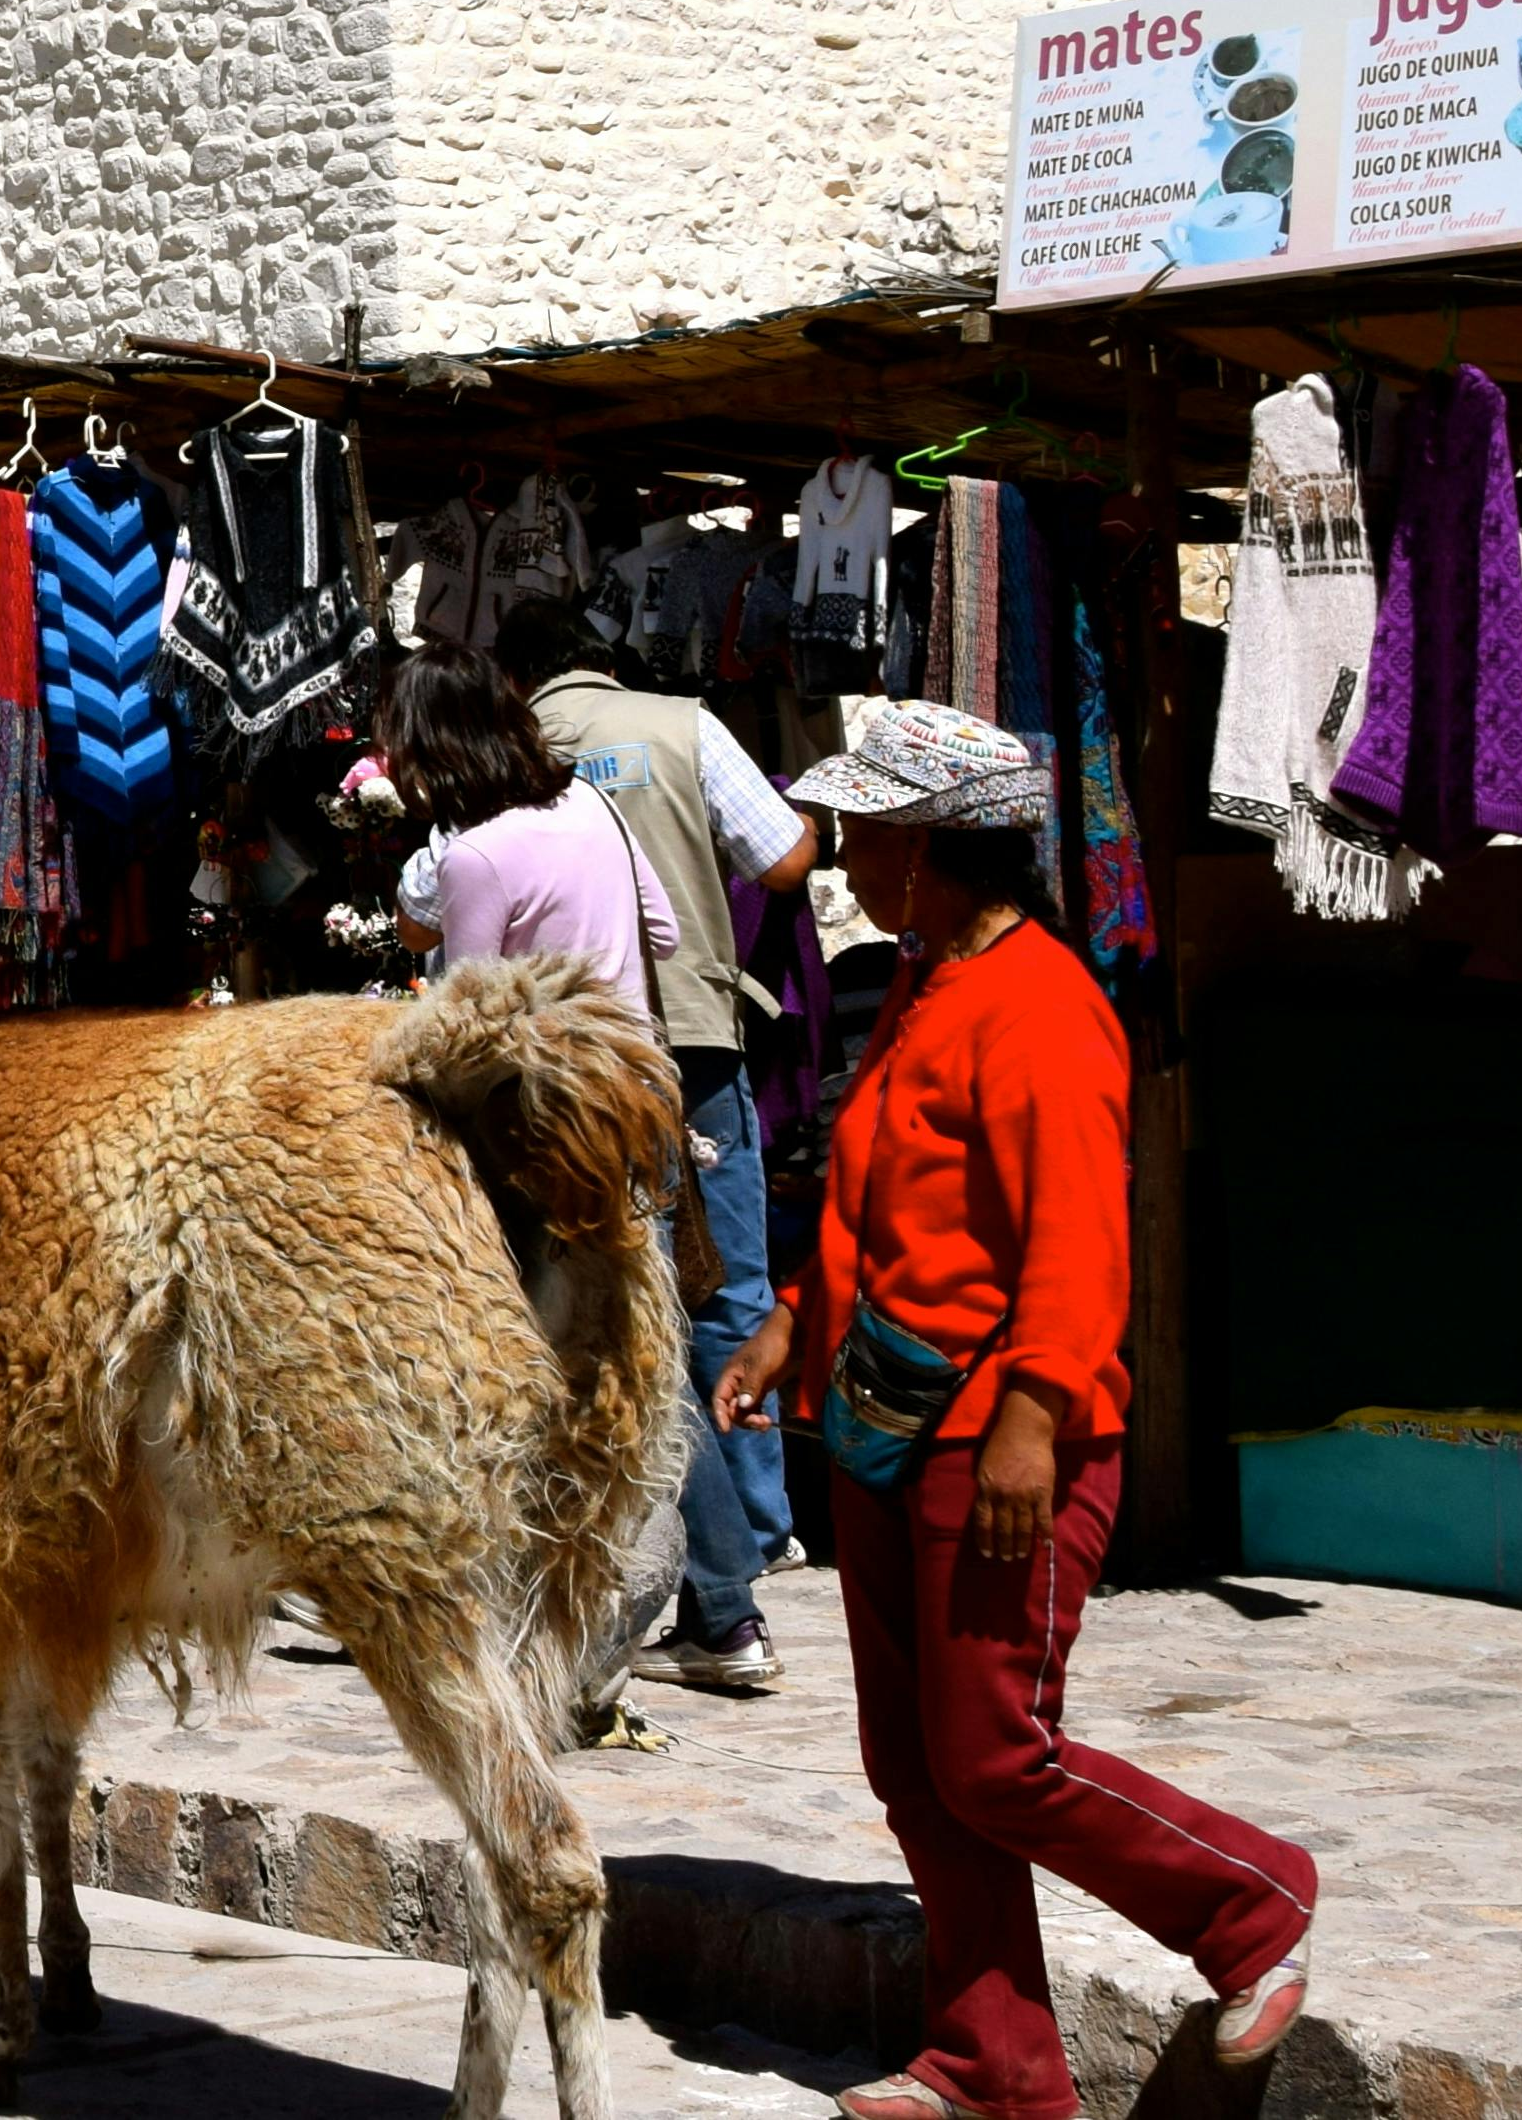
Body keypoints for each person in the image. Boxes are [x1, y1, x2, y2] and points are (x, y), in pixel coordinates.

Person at [728, 701, 1312, 2120]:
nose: (842, 853)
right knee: (913, 1764)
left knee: (993, 1751)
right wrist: (795, 1316)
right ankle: (993, 2062)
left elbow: (1074, 1238)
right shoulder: (930, 982)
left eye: (863, 829)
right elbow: (882, 1188)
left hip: (1002, 1438)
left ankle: (1251, 1902)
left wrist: (1035, 1415)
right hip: (887, 1424)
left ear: (931, 846)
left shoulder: (1045, 1003)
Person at [501, 592, 821, 1696]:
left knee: (611, 1312)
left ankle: (683, 1580)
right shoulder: (685, 723)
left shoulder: (513, 746)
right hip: (695, 1037)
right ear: (602, 656)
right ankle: (761, 1528)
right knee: (724, 1287)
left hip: (575, 1062)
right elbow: (785, 860)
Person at [382, 647, 674, 1015]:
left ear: (418, 744)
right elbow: (663, 935)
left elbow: (470, 1015)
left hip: (544, 1067)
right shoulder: (590, 799)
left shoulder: (472, 854)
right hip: (632, 1063)